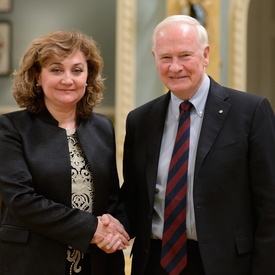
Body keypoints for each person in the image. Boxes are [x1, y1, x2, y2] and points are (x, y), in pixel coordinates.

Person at [116, 15, 275, 274]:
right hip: (155, 263)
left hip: (225, 264)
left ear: (205, 55)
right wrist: (105, 227)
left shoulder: (251, 112)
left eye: (185, 55)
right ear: (155, 58)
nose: (175, 67)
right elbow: (133, 196)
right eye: (166, 57)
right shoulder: (140, 120)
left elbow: (270, 207)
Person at [0, 30, 130, 275]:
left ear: (88, 76)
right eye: (56, 69)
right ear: (38, 76)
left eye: (77, 70)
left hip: (98, 262)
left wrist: (113, 231)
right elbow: (22, 201)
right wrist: (92, 228)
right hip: (33, 262)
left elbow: (111, 195)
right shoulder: (10, 128)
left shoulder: (102, 126)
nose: (67, 79)